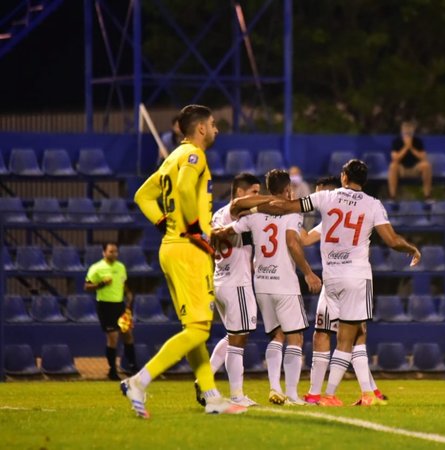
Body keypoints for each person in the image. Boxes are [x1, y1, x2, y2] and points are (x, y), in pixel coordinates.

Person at [228, 159, 421, 406]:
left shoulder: (326, 199)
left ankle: (352, 392)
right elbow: (392, 240)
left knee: (330, 335)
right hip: (357, 276)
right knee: (350, 338)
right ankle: (337, 393)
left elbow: (286, 208)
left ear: (343, 176)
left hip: (331, 278)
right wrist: (411, 248)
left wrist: (253, 208)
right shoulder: (374, 204)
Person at [125, 104, 246, 418]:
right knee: (199, 332)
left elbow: (142, 196)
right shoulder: (194, 155)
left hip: (170, 246)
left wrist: (164, 222)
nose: (217, 130)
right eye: (214, 124)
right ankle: (139, 381)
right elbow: (182, 188)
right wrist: (192, 228)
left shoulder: (171, 159)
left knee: (194, 328)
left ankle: (211, 395)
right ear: (202, 128)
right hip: (189, 250)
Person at [215, 169, 322, 406]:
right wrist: (308, 272)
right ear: (288, 190)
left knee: (277, 335)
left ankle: (275, 387)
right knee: (295, 338)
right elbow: (293, 242)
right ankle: (292, 395)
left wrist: (215, 232)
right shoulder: (292, 211)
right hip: (284, 282)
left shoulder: (255, 212)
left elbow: (228, 230)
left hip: (261, 283)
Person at [299, 177, 386, 405]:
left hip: (349, 282)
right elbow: (306, 239)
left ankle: (368, 392)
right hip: (335, 285)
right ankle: (317, 394)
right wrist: (295, 220)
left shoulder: (346, 211)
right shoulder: (328, 221)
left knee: (355, 336)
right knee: (324, 334)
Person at [194, 173, 262, 408]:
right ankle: (237, 395)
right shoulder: (233, 211)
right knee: (238, 340)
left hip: (222, 280)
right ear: (240, 193)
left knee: (233, 335)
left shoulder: (218, 214)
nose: (257, 197)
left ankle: (204, 378)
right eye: (254, 192)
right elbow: (240, 206)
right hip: (236, 283)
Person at [85, 242, 136, 381]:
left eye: (115, 251)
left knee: (128, 334)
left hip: (120, 305)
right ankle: (112, 370)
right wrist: (101, 284)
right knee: (113, 337)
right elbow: (87, 286)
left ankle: (133, 367)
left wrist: (128, 293)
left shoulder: (121, 267)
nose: (114, 254)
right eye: (111, 251)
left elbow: (123, 282)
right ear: (104, 253)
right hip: (105, 306)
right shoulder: (96, 268)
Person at [388, 120, 432, 201]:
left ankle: (427, 196)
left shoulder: (418, 141)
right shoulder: (396, 141)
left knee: (426, 165)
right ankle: (392, 197)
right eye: (405, 131)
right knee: (393, 166)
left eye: (409, 131)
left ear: (413, 131)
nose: (407, 133)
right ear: (402, 131)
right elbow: (395, 158)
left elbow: (423, 157)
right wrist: (406, 147)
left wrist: (411, 147)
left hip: (415, 168)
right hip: (402, 169)